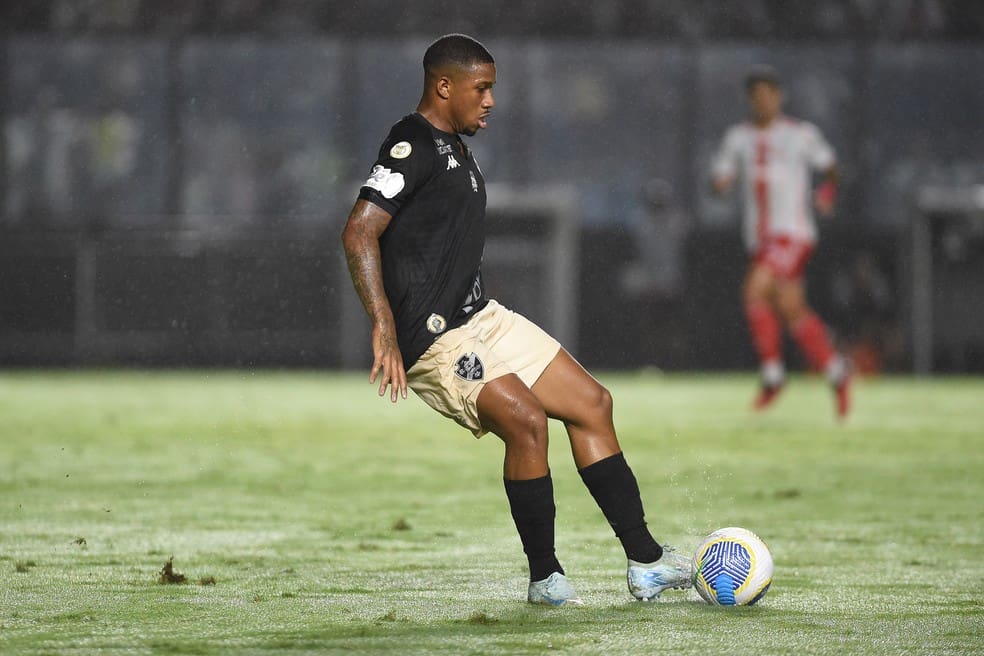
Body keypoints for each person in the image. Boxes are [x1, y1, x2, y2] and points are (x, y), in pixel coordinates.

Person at [340, 34, 691, 606]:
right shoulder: (412, 143)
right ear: (444, 86)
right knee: (527, 422)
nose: (491, 101)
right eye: (481, 88)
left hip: (482, 318)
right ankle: (546, 579)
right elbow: (359, 230)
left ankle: (646, 562)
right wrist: (383, 323)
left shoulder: (456, 147)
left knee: (593, 404)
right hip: (436, 338)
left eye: (493, 89)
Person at [710, 65, 852, 419]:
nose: (763, 101)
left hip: (792, 233)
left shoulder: (800, 134)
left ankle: (772, 375)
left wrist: (827, 192)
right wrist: (720, 185)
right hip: (760, 240)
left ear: (779, 96)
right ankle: (837, 372)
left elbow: (831, 167)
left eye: (768, 94)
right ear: (750, 99)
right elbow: (719, 178)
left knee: (754, 291)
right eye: (756, 95)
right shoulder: (738, 138)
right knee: (792, 310)